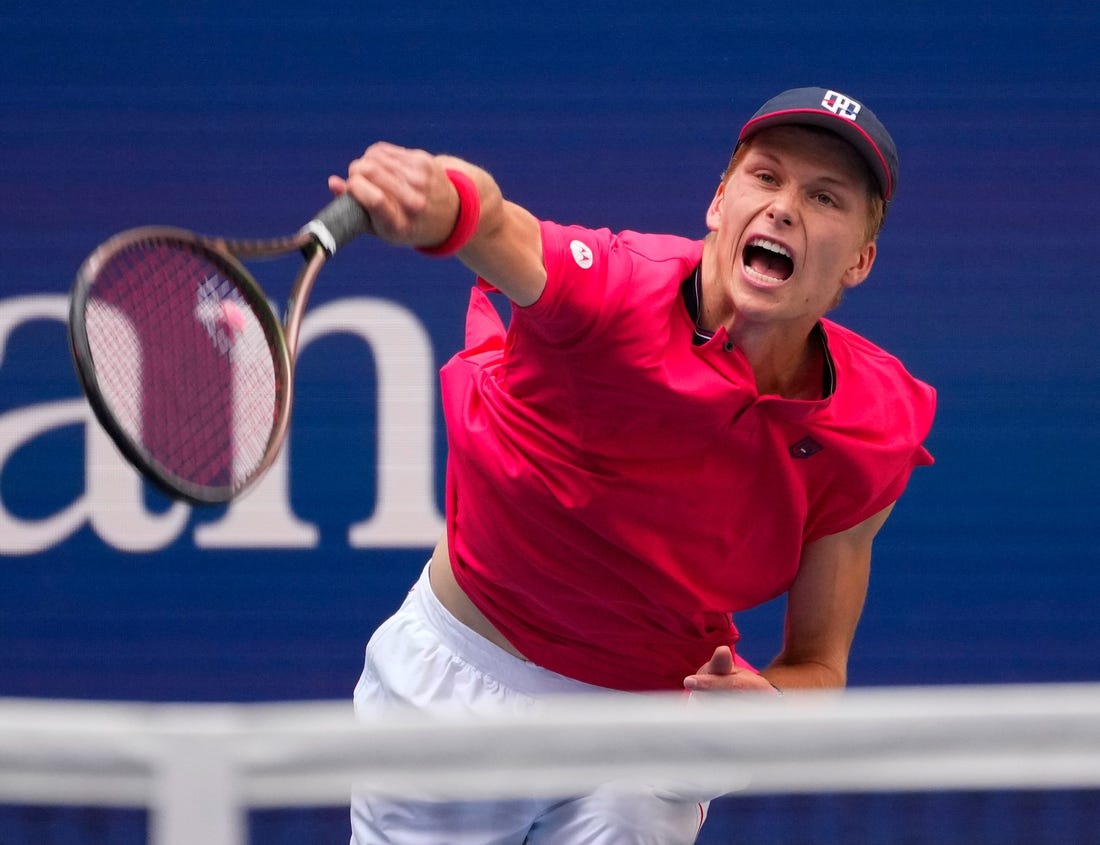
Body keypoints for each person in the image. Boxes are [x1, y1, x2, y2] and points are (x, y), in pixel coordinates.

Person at [331, 87, 936, 844]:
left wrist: (771, 709)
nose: (784, 208)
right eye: (766, 177)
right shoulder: (612, 289)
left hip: (644, 731)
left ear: (860, 260)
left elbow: (819, 663)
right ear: (719, 201)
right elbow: (496, 223)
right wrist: (440, 201)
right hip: (457, 687)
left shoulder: (869, 425)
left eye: (824, 197)